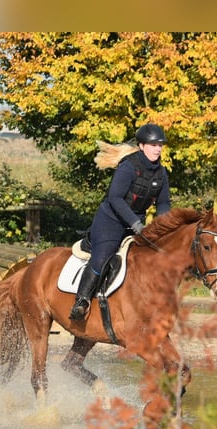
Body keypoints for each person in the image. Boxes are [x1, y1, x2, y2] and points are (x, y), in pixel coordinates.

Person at [69, 123, 172, 321]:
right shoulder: (128, 166)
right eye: (153, 145)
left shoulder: (161, 173)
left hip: (136, 225)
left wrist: (163, 227)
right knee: (103, 256)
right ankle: (81, 302)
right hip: (110, 221)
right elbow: (115, 198)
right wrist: (135, 223)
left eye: (160, 145)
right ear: (142, 146)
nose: (158, 148)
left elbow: (164, 202)